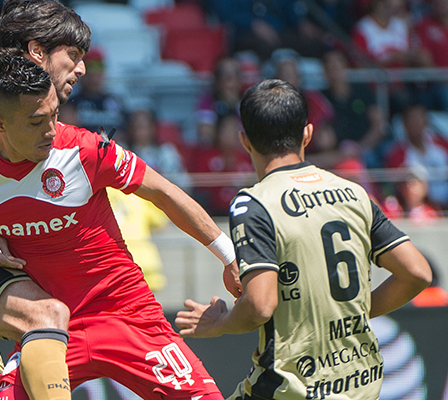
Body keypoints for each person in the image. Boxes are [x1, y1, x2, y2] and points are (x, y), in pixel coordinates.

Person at [0, 2, 240, 400]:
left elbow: (164, 192)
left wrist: (227, 254)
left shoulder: (81, 147)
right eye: (73, 56)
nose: (81, 69)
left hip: (112, 310)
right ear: (36, 52)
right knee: (42, 316)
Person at [175, 79, 432, 400]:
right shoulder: (353, 192)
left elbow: (259, 305)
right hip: (360, 384)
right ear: (307, 134)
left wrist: (222, 322)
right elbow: (418, 273)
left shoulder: (254, 203)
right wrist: (350, 313)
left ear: (245, 141)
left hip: (292, 389)